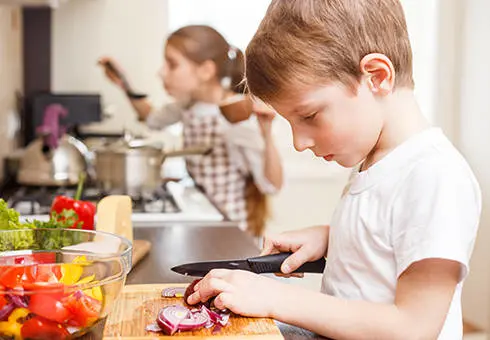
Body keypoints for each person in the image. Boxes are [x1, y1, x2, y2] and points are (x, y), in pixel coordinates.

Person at [185, 1, 482, 339]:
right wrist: (334, 238)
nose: (299, 143)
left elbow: (412, 328)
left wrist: (275, 298)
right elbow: (392, 238)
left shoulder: (434, 176)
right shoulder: (381, 163)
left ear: (376, 76)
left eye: (309, 116)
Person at [99, 25, 283, 236]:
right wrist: (125, 85)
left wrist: (266, 132)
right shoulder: (188, 105)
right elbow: (152, 118)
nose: (161, 72)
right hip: (203, 224)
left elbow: (271, 185)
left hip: (231, 234)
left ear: (206, 70)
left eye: (172, 64)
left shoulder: (234, 115)